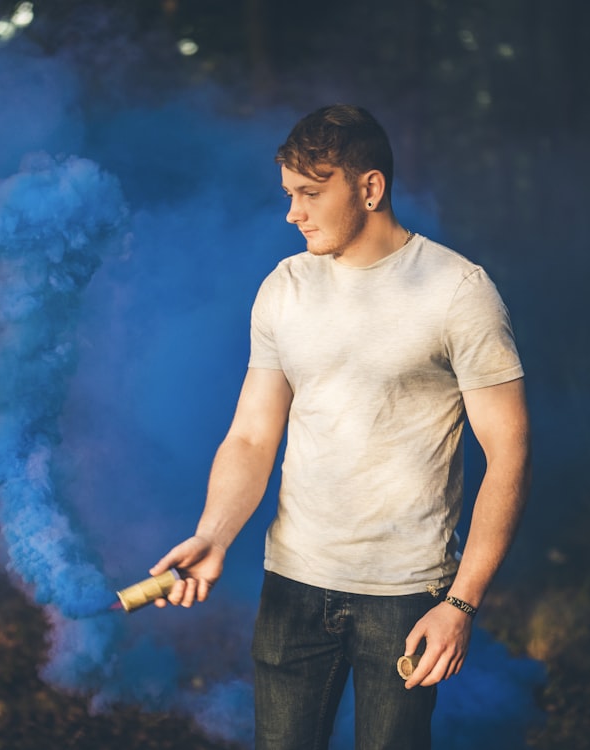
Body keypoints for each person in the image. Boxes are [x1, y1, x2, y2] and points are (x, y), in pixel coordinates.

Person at [150, 104, 530, 749]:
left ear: (370, 187)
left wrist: (461, 603)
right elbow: (250, 434)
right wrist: (214, 534)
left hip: (407, 594)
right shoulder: (285, 286)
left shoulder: (459, 291)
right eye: (289, 194)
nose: (292, 212)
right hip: (292, 585)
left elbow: (510, 453)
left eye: (310, 192)